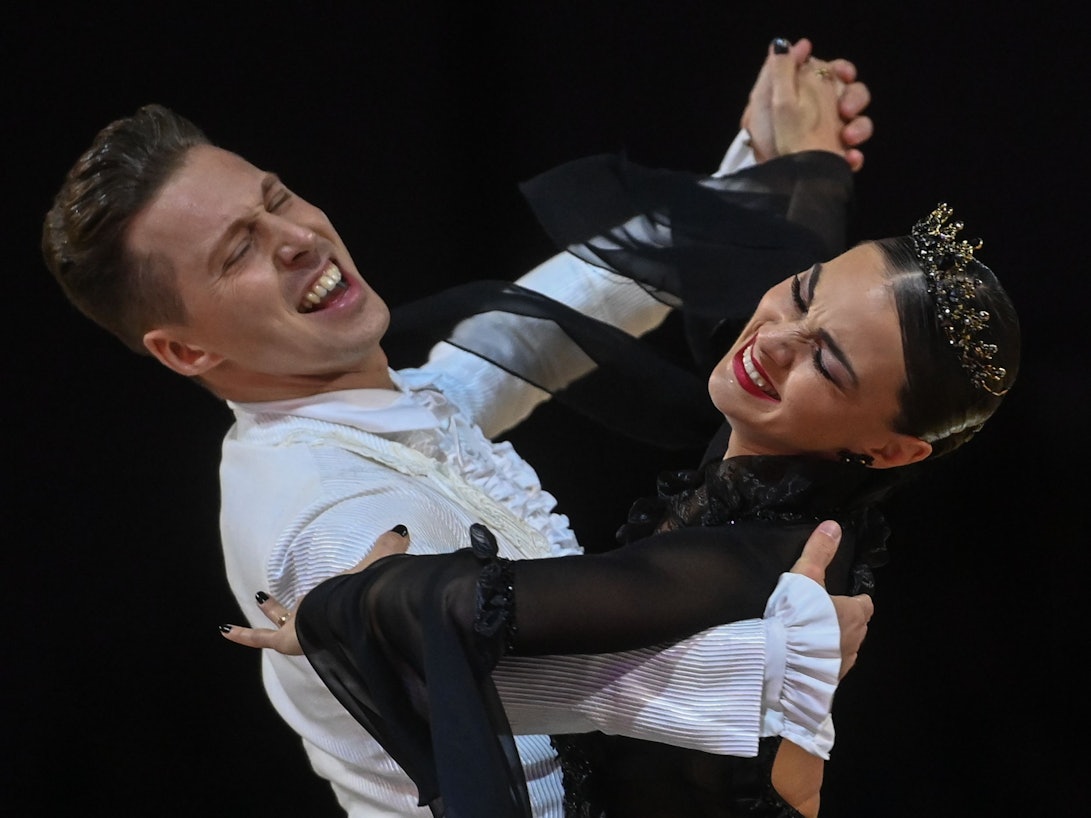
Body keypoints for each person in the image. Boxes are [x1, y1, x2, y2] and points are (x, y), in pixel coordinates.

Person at [42, 37, 876, 818]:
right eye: (238, 252)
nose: (297, 238)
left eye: (276, 199)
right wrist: (769, 672)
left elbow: (526, 333)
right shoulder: (323, 514)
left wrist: (758, 177)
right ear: (185, 349)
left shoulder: (358, 412)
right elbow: (493, 686)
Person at [226, 200, 1020, 818]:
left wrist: (337, 606)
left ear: (890, 451)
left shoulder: (758, 562)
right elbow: (513, 349)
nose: (777, 338)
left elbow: (477, 609)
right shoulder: (773, 472)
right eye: (804, 293)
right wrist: (788, 161)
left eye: (829, 360)